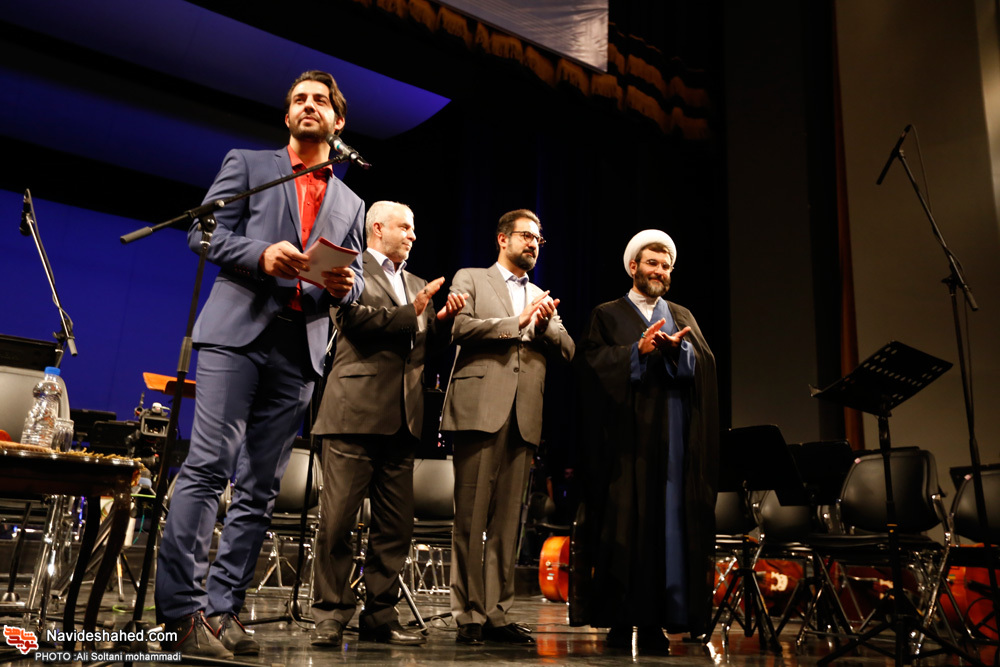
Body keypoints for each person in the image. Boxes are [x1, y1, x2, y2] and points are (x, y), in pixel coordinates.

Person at [155, 70, 365, 658]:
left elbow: (353, 278)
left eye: (320, 100)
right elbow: (202, 233)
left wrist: (346, 285)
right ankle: (180, 615)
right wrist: (260, 253)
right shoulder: (248, 165)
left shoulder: (352, 201)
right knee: (208, 467)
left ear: (338, 121)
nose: (308, 105)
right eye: (299, 99)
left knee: (260, 489)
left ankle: (223, 611)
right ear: (287, 116)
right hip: (237, 334)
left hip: (300, 347)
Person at [308, 201, 466, 647]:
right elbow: (352, 320)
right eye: (406, 228)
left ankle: (380, 615)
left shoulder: (416, 283)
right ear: (377, 228)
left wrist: (441, 322)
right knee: (337, 522)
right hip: (353, 415)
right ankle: (331, 614)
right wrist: (410, 312)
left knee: (395, 528)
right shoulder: (351, 271)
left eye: (414, 229)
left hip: (404, 420)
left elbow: (421, 348)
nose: (413, 236)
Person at [574, 229, 718, 652]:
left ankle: (658, 621)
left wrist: (676, 351)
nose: (659, 271)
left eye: (666, 266)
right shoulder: (607, 314)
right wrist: (635, 352)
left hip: (673, 441)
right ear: (633, 266)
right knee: (624, 526)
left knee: (667, 529)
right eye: (652, 263)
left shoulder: (681, 315)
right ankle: (620, 622)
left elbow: (705, 365)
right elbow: (590, 366)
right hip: (624, 444)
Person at [442, 209, 575, 645]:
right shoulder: (471, 278)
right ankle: (468, 614)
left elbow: (568, 349)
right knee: (471, 517)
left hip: (524, 416)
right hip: (480, 410)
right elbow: (459, 327)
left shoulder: (539, 294)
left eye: (538, 238)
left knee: (508, 523)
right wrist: (515, 323)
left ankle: (497, 614)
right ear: (503, 239)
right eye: (526, 236)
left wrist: (544, 325)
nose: (533, 244)